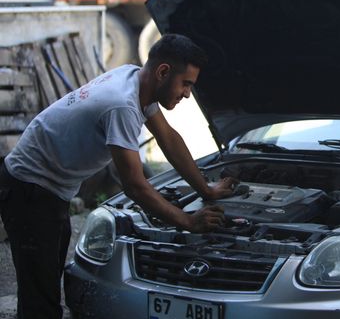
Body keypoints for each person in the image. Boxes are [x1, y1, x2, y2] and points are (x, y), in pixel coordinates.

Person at [0, 34, 238, 319]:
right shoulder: (122, 105)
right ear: (163, 72)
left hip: (49, 187)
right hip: (31, 189)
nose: (187, 93)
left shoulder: (135, 79)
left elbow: (168, 139)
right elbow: (135, 186)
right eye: (185, 83)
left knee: (45, 282)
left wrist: (206, 190)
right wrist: (187, 221)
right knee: (41, 299)